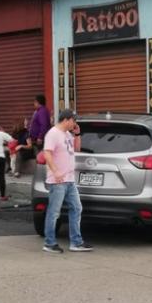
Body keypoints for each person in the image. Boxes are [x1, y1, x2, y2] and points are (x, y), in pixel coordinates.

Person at [42, 109, 93, 254]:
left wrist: (77, 134)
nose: (74, 123)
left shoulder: (67, 134)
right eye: (73, 120)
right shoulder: (53, 133)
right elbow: (47, 153)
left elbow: (76, 148)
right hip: (58, 180)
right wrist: (55, 171)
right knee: (54, 212)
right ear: (66, 120)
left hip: (70, 179)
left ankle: (76, 242)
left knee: (77, 208)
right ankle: (49, 243)